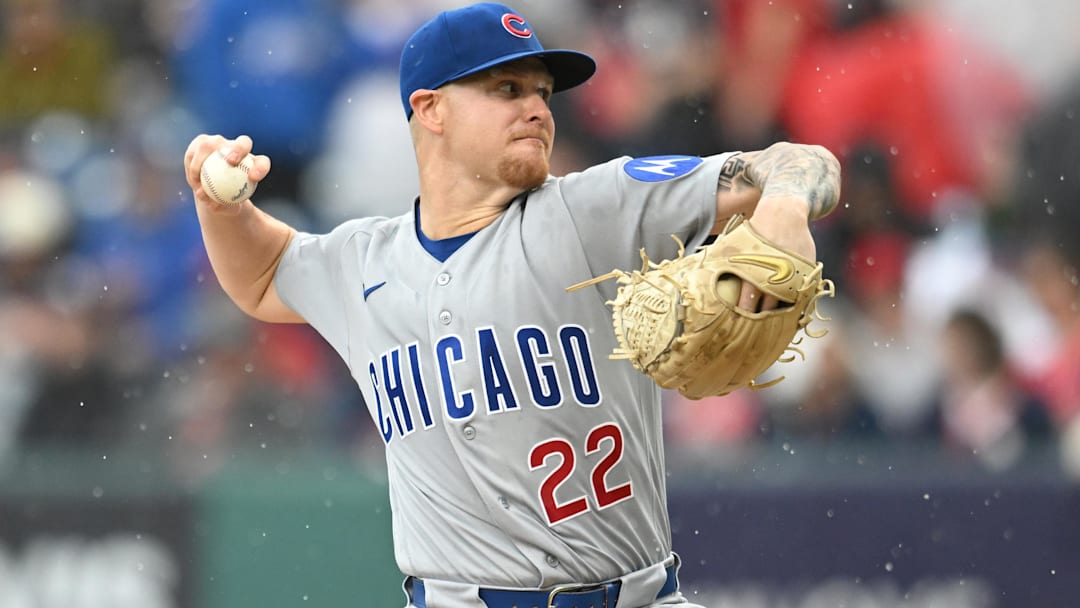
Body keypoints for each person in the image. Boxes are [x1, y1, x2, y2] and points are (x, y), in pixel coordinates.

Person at [182, 3, 841, 607]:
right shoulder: (364, 263)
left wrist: (783, 207)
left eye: (542, 92)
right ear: (431, 108)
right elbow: (263, 273)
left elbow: (797, 161)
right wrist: (220, 206)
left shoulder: (592, 208)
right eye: (507, 90)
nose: (537, 109)